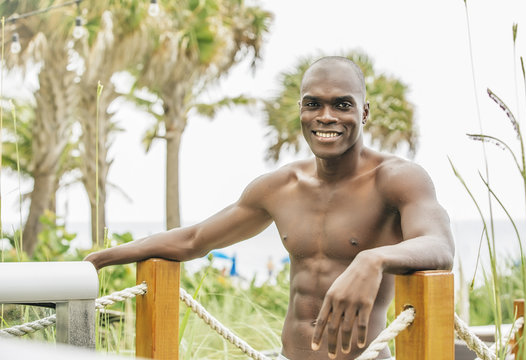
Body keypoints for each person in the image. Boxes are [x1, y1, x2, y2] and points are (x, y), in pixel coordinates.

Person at [84, 56, 454, 360]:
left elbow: (439, 246)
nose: (326, 116)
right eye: (313, 104)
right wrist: (100, 260)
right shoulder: (280, 187)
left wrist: (373, 260)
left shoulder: (396, 179)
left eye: (342, 105)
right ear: (301, 110)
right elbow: (194, 239)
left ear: (365, 112)